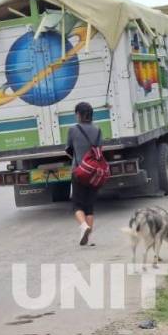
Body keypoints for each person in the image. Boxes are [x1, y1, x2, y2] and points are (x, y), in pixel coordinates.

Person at [65, 101, 101, 246]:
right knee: (89, 206)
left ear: (78, 115)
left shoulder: (73, 130)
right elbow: (98, 151)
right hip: (94, 172)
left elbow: (68, 149)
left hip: (79, 171)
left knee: (77, 205)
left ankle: (83, 226)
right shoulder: (98, 130)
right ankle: (89, 238)